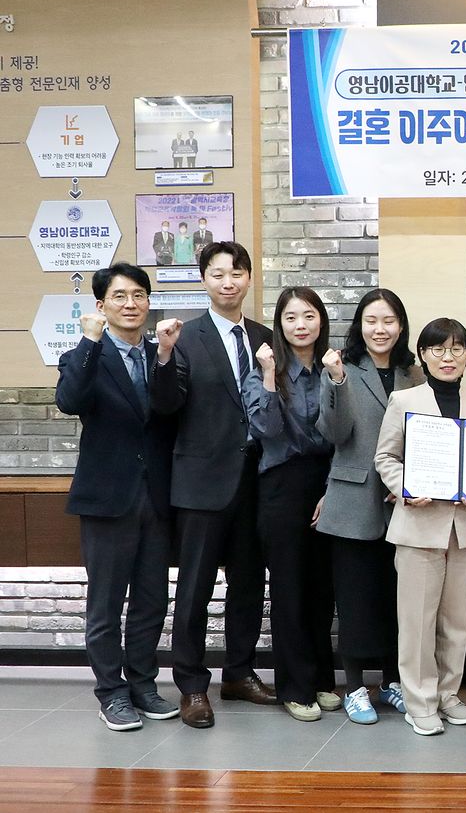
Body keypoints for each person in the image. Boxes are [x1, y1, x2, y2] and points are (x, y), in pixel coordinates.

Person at [152, 241, 275, 729]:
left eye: (237, 272)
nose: (229, 281)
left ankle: (240, 673)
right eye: (218, 273)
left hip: (259, 480)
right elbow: (164, 406)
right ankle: (192, 686)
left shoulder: (266, 337)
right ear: (204, 279)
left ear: (248, 278)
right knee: (196, 588)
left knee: (249, 583)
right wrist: (162, 354)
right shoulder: (182, 336)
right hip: (202, 481)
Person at [55, 263, 178, 731]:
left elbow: (170, 407)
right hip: (108, 497)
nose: (132, 304)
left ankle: (143, 682)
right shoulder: (82, 355)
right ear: (102, 305)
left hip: (157, 497)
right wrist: (89, 341)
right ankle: (111, 692)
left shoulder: (161, 352)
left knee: (152, 599)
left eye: (139, 295)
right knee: (105, 602)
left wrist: (166, 356)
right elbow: (70, 400)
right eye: (121, 296)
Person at [374, 318, 466, 737]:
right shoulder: (403, 399)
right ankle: (419, 702)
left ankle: (448, 695)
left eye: (457, 349)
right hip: (420, 524)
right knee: (417, 621)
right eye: (438, 349)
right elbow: (386, 458)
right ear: (423, 355)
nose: (448, 357)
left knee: (456, 620)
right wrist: (407, 488)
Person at [315, 289, 422, 725]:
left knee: (399, 598)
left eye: (389, 321)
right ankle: (356, 686)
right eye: (371, 320)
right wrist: (337, 381)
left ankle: (393, 682)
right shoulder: (340, 368)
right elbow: (335, 433)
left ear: (401, 326)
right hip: (353, 498)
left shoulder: (414, 373)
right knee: (356, 598)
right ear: (360, 325)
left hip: (406, 502)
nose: (380, 329)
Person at [243, 287, 338, 721]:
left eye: (309, 316)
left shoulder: (335, 368)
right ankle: (295, 687)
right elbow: (264, 426)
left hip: (328, 481)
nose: (301, 325)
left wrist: (331, 487)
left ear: (321, 321)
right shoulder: (266, 368)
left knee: (322, 587)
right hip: (281, 484)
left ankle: (322, 680)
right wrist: (266, 374)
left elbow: (343, 430)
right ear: (280, 325)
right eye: (291, 318)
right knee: (289, 588)